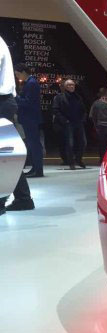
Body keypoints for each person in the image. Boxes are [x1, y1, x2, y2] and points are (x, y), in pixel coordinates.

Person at [0, 34, 34, 214]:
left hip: (2, 101)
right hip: (4, 101)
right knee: (5, 155)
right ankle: (23, 198)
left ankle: (7, 200)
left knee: (3, 155)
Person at [14, 63, 44, 178]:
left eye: (18, 74)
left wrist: (16, 97)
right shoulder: (30, 82)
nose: (17, 77)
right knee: (33, 144)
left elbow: (28, 102)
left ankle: (38, 170)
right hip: (30, 118)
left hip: (30, 118)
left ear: (23, 72)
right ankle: (36, 168)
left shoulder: (31, 83)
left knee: (34, 144)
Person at [53, 79, 87, 169]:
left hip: (78, 122)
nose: (71, 86)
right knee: (70, 143)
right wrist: (64, 120)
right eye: (69, 85)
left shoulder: (78, 97)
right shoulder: (59, 97)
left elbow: (83, 109)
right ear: (65, 87)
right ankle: (71, 162)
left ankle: (78, 159)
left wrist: (83, 118)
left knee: (83, 142)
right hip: (68, 123)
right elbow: (56, 110)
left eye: (73, 85)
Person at [89, 87, 107, 162]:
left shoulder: (96, 103)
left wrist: (95, 125)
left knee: (102, 144)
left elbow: (92, 116)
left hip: (100, 126)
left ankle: (102, 159)